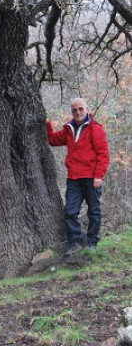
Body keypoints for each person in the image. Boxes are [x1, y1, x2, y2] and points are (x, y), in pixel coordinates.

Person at [46, 98, 110, 254]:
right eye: (74, 110)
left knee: (94, 211)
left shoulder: (95, 129)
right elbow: (53, 140)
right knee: (70, 211)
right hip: (74, 178)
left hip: (91, 177)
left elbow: (104, 154)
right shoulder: (69, 129)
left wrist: (99, 176)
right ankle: (75, 242)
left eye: (81, 109)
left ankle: (92, 242)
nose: (78, 112)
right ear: (72, 112)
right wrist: (47, 124)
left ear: (87, 110)